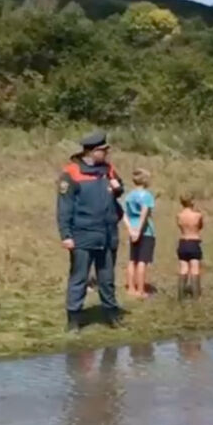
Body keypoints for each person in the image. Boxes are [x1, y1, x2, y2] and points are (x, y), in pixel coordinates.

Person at [58, 131, 124, 333]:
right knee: (79, 278)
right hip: (83, 233)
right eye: (103, 150)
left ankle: (111, 314)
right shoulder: (71, 173)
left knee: (107, 278)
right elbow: (64, 207)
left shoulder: (108, 169)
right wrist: (66, 235)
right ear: (92, 151)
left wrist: (118, 188)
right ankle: (74, 319)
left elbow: (120, 187)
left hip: (107, 233)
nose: (107, 153)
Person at [123, 168, 156, 299]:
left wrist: (131, 229)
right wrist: (139, 230)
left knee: (132, 260)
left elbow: (124, 214)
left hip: (132, 228)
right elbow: (144, 213)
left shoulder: (129, 196)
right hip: (146, 231)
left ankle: (131, 288)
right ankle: (140, 290)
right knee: (142, 261)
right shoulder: (147, 195)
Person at [176, 191, 204, 300]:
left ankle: (181, 296)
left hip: (183, 242)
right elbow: (200, 226)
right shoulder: (197, 215)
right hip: (194, 242)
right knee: (195, 269)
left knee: (183, 269)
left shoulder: (179, 215)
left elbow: (180, 226)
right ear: (192, 201)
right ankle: (196, 296)